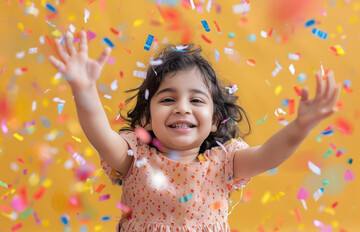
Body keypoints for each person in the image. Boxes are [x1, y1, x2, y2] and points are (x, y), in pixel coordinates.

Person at [48, 30, 341, 231]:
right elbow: (100, 134)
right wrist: (85, 92)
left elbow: (269, 155)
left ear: (215, 120)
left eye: (196, 100)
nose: (182, 108)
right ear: (147, 119)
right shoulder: (133, 157)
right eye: (167, 99)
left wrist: (300, 126)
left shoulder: (227, 162)